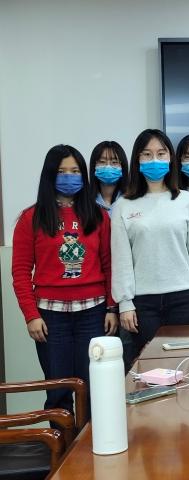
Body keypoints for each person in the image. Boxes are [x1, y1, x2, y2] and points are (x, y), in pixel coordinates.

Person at [12, 144, 117, 414]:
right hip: (50, 318)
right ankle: (62, 443)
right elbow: (20, 271)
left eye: (75, 171)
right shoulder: (31, 218)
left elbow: (109, 265)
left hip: (93, 313)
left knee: (93, 389)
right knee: (58, 393)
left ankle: (90, 442)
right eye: (61, 171)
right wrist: (31, 315)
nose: (69, 176)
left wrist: (111, 308)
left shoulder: (99, 216)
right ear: (50, 175)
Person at [111, 129, 189, 355]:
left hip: (183, 298)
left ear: (170, 158)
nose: (154, 160)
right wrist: (124, 303)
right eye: (147, 154)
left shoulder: (187, 201)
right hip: (142, 303)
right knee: (149, 365)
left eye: (161, 153)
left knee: (182, 362)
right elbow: (121, 259)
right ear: (137, 160)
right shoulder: (123, 205)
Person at [88, 141, 129, 217]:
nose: (108, 166)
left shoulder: (131, 199)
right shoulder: (85, 201)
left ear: (123, 167)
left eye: (114, 162)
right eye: (102, 161)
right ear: (94, 166)